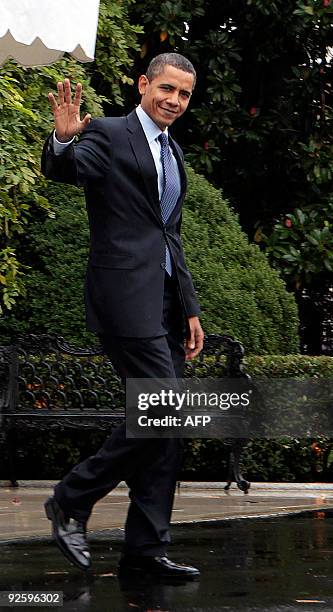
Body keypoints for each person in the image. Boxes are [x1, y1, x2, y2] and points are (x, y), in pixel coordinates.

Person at [41, 52, 204, 579]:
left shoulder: (173, 151)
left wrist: (190, 309)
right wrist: (64, 139)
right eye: (166, 89)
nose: (174, 101)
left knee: (168, 426)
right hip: (122, 297)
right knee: (164, 408)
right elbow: (66, 169)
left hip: (163, 303)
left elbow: (169, 235)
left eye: (183, 94)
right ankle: (71, 497)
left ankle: (145, 550)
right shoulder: (110, 134)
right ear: (144, 85)